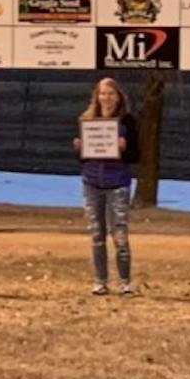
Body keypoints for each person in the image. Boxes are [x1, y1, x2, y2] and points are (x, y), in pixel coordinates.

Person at [72, 76, 139, 295]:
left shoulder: (127, 121)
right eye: (103, 93)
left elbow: (136, 155)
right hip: (92, 183)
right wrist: (79, 149)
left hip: (118, 182)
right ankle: (100, 281)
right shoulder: (87, 120)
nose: (106, 98)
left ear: (118, 96)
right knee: (96, 234)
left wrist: (124, 148)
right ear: (96, 96)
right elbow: (83, 159)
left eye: (111, 93)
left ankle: (125, 282)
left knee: (119, 233)